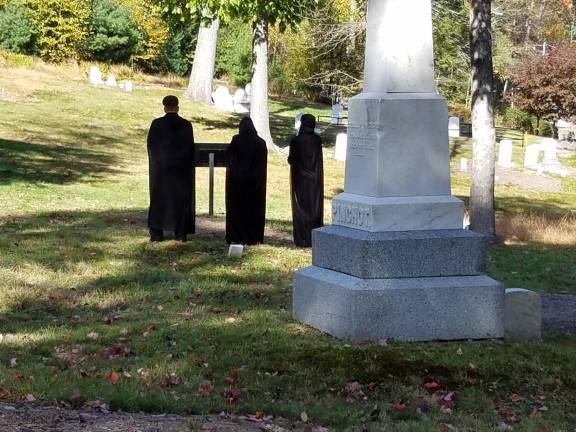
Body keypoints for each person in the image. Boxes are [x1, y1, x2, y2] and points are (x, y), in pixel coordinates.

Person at [147, 95, 195, 242]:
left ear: (164, 108)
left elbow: (151, 146)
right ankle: (180, 233)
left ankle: (156, 233)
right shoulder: (186, 125)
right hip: (180, 171)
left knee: (158, 200)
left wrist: (157, 164)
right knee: (180, 201)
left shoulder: (156, 124)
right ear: (177, 108)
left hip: (161, 170)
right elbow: (190, 149)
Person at [225, 117, 268, 245]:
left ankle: (236, 236)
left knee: (237, 210)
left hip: (238, 182)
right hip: (256, 183)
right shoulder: (261, 142)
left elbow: (228, 155)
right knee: (254, 210)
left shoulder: (236, 140)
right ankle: (254, 237)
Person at [288, 114, 324, 247]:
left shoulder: (296, 141)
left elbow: (291, 160)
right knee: (313, 207)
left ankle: (302, 238)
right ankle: (313, 237)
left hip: (300, 179)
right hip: (315, 178)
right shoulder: (317, 140)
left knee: (301, 207)